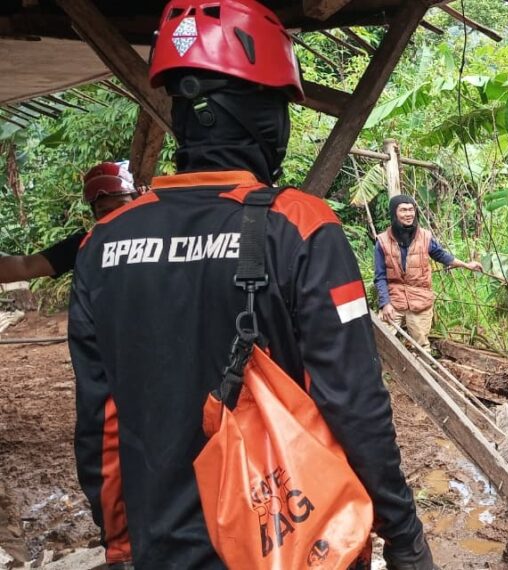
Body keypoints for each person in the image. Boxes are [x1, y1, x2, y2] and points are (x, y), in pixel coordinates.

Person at [67, 1, 435, 568]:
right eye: (277, 106)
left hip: (161, 548)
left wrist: (120, 542)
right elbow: (354, 403)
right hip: (288, 544)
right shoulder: (301, 226)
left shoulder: (102, 245)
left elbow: (102, 421)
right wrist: (403, 533)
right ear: (251, 114)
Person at [0, 162, 137, 284]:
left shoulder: (157, 236)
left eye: (122, 205)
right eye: (104, 210)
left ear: (137, 203)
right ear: (95, 215)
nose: (115, 214)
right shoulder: (86, 247)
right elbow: (26, 266)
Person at [374, 195, 482, 346]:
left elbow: (441, 255)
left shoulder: (425, 236)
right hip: (394, 299)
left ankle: (423, 366)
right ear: (394, 213)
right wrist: (385, 303)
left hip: (420, 298)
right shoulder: (382, 242)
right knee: (381, 343)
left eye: (411, 209)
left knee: (421, 345)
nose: (408, 214)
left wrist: (466, 265)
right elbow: (380, 277)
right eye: (403, 210)